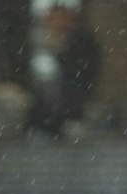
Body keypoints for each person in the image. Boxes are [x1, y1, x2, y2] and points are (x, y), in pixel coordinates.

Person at [25, 0, 102, 140]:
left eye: (59, 18)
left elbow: (81, 75)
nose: (55, 23)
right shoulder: (40, 41)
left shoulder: (80, 42)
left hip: (70, 107)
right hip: (45, 111)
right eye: (51, 19)